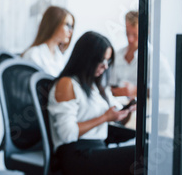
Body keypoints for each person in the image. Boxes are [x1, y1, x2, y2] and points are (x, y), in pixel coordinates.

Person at [48, 31, 136, 175]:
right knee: (143, 152)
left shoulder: (95, 86)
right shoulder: (67, 84)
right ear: (86, 59)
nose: (105, 66)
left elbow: (115, 120)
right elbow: (67, 133)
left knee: (144, 150)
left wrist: (126, 112)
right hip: (76, 154)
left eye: (108, 61)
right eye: (102, 61)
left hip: (97, 147)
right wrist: (105, 118)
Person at [109, 11, 174, 98]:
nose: (130, 39)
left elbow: (169, 88)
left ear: (146, 32)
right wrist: (114, 91)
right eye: (127, 34)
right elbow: (107, 84)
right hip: (119, 106)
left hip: (143, 107)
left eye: (135, 35)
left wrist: (137, 90)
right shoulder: (118, 55)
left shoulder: (155, 57)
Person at [21, 6, 74, 77]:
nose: (71, 31)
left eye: (72, 26)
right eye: (67, 25)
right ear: (54, 24)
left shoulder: (59, 57)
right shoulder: (33, 54)